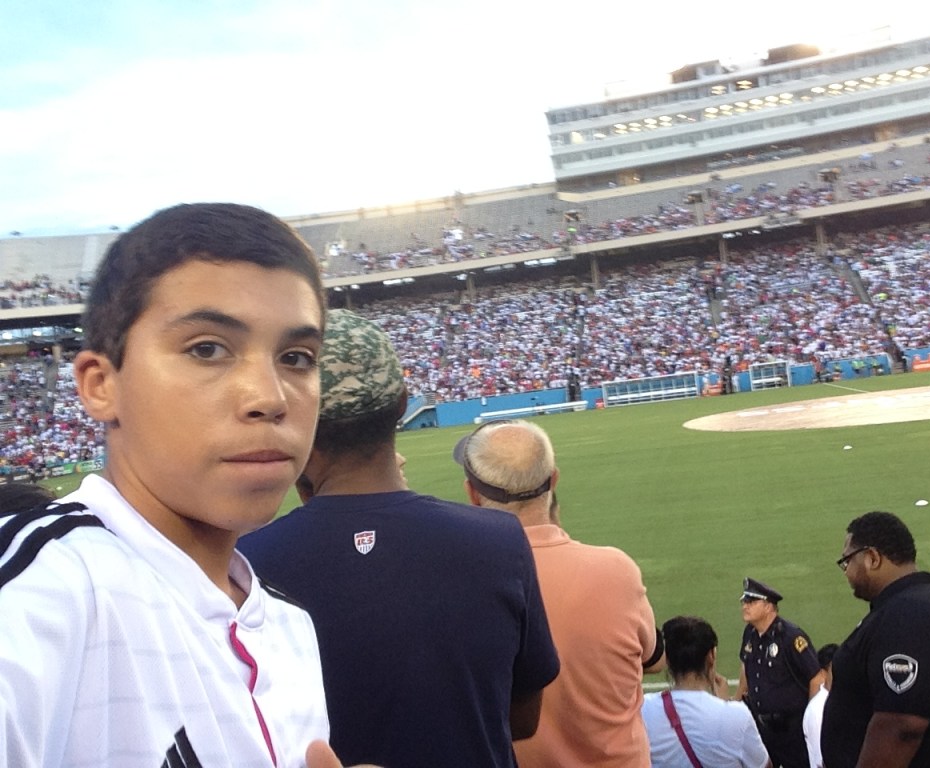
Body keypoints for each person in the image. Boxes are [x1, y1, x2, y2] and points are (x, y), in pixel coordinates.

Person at [0, 203, 337, 767]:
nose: (270, 397)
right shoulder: (41, 591)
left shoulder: (289, 626)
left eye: (297, 357)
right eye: (207, 349)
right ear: (101, 385)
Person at [239, 310, 560, 768]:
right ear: (403, 404)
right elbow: (522, 718)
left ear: (296, 418)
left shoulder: (246, 565)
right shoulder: (499, 539)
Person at [453, 419, 663, 767]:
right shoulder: (616, 570)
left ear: (473, 495)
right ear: (553, 480)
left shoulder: (458, 584)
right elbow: (655, 659)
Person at [822, 511, 930, 768]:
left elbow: (902, 726)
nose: (846, 572)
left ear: (872, 558)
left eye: (847, 562)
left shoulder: (908, 616)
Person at [642, 616, 771, 768]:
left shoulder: (644, 709)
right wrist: (725, 705)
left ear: (667, 660)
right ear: (711, 656)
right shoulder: (737, 716)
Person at [736, 577, 824, 768]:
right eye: (744, 601)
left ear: (768, 607)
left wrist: (810, 719)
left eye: (751, 601)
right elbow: (746, 667)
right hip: (761, 728)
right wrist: (737, 703)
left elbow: (816, 677)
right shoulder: (750, 633)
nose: (745, 605)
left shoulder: (790, 637)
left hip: (791, 730)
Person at [802, 644, 837, 768]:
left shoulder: (842, 700)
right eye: (834, 670)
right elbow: (820, 760)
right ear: (823, 673)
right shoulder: (817, 709)